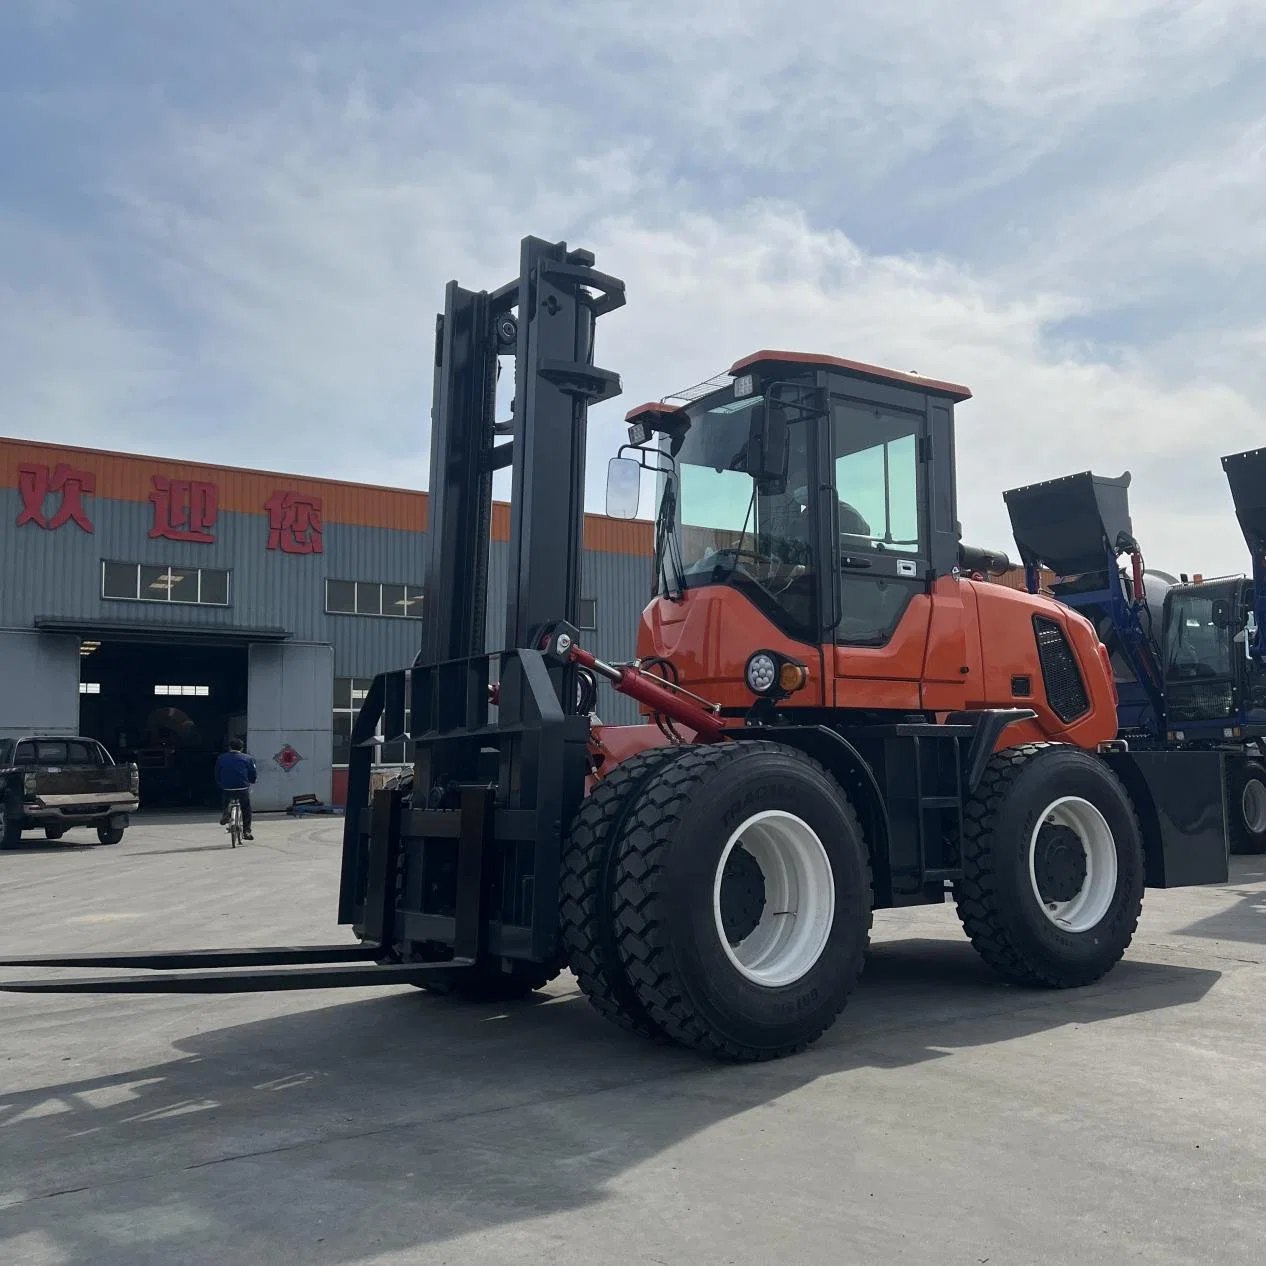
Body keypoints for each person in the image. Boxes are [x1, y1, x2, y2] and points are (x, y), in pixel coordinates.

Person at [215, 738, 257, 840]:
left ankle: (226, 813)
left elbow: (217, 774)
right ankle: (246, 831)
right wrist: (251, 781)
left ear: (230, 747)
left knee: (226, 800)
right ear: (242, 748)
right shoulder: (248, 758)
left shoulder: (221, 758)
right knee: (246, 808)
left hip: (227, 787)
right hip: (242, 787)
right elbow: (253, 773)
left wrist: (220, 783)